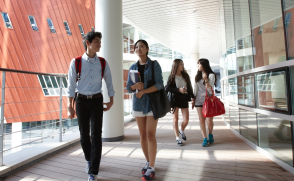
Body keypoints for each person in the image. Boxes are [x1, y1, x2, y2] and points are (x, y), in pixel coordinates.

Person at [67, 31, 115, 181]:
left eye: (100, 41)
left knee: (96, 135)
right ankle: (89, 159)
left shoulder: (102, 62)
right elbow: (70, 86)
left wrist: (111, 100)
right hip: (80, 100)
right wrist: (69, 105)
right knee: (83, 135)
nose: (99, 44)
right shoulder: (76, 62)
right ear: (87, 43)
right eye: (96, 41)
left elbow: (109, 82)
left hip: (96, 100)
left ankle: (93, 171)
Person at [126, 40, 164, 181]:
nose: (138, 48)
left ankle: (152, 167)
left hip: (151, 104)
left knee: (150, 135)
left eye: (141, 46)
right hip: (138, 104)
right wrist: (135, 86)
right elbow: (128, 88)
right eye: (136, 47)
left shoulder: (154, 65)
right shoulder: (133, 67)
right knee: (142, 135)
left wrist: (144, 91)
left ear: (147, 49)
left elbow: (160, 84)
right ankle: (148, 162)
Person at [165, 59, 194, 146]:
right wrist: (178, 90)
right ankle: (177, 138)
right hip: (175, 98)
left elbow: (190, 86)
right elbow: (167, 88)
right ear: (176, 65)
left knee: (186, 119)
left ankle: (181, 130)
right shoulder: (172, 76)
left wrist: (193, 97)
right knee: (175, 119)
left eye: (183, 64)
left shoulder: (185, 75)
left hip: (184, 97)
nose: (183, 65)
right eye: (181, 64)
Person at [192, 58, 216, 147]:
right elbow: (196, 89)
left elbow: (210, 89)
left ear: (204, 65)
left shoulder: (211, 75)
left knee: (209, 121)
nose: (198, 66)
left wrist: (206, 79)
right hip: (199, 100)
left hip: (208, 100)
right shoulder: (197, 76)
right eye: (197, 65)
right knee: (201, 120)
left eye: (199, 64)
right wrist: (193, 99)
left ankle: (210, 133)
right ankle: (204, 138)